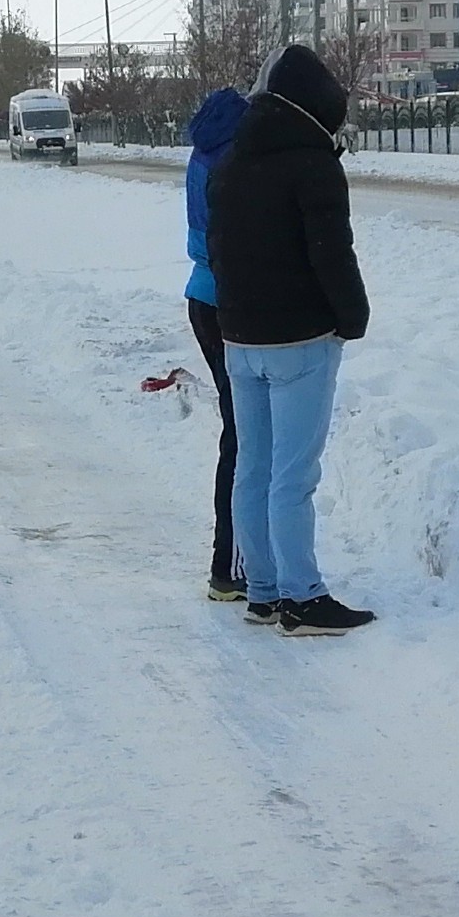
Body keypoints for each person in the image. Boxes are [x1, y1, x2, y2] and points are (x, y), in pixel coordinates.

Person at [203, 44, 376, 636]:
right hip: (300, 342)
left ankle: (264, 591)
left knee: (253, 465)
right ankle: (303, 597)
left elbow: (220, 254)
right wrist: (352, 317)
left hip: (239, 340)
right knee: (293, 475)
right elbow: (331, 253)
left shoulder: (229, 164)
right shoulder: (313, 165)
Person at [180, 84, 249, 601]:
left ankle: (228, 563)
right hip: (229, 301)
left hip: (202, 296)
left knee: (239, 431)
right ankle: (228, 565)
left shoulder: (202, 154)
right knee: (244, 438)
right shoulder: (232, 162)